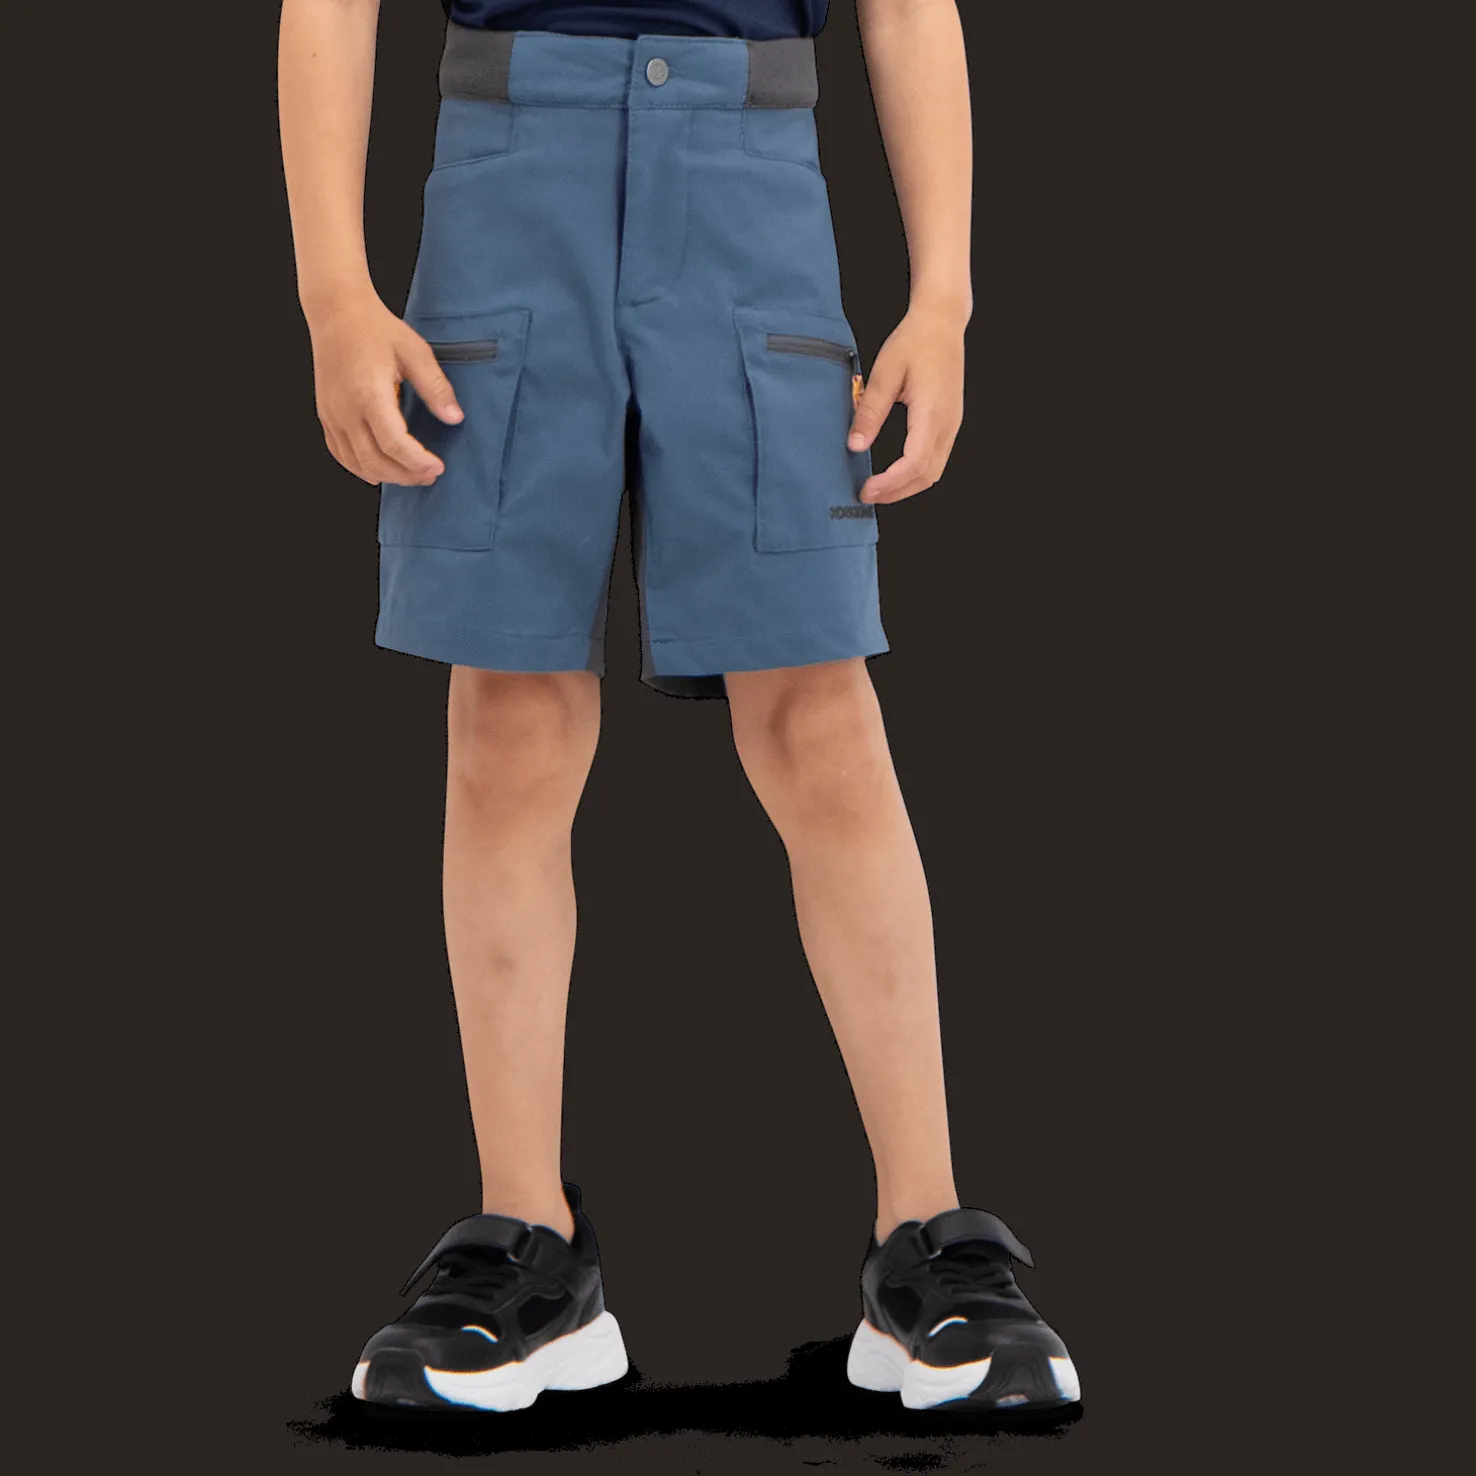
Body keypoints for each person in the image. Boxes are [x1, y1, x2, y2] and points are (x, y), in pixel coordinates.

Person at [278, 0, 1080, 1416]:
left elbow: (906, 7)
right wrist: (334, 291)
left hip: (751, 177)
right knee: (509, 726)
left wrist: (946, 293)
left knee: (820, 719)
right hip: (504, 178)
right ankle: (526, 1246)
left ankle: (929, 1241)